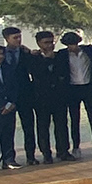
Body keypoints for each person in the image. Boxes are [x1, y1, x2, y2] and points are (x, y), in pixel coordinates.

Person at [30, 31, 73, 162]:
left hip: (59, 97)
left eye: (51, 42)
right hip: (42, 98)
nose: (49, 45)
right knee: (43, 126)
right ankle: (46, 153)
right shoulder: (33, 58)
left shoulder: (60, 56)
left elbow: (64, 73)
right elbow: (37, 73)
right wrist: (47, 59)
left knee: (62, 124)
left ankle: (63, 151)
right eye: (46, 43)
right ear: (39, 43)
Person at [0, 25, 39, 165]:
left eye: (19, 37)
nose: (18, 40)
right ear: (7, 38)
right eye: (15, 37)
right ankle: (8, 158)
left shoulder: (25, 53)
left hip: (25, 95)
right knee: (7, 128)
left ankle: (31, 156)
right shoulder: (0, 54)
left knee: (28, 126)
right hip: (7, 95)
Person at [60, 31, 92, 156]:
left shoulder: (89, 51)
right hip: (72, 89)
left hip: (87, 87)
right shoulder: (62, 54)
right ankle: (76, 147)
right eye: (68, 44)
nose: (71, 47)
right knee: (75, 119)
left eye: (73, 44)